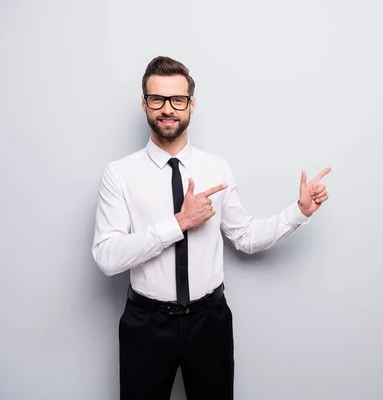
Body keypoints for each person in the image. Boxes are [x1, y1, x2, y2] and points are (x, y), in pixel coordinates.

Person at [91, 56, 331, 400]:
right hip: (146, 325)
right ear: (144, 103)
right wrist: (179, 223)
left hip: (210, 322)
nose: (168, 109)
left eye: (178, 99)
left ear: (191, 103)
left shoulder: (216, 169)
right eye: (157, 99)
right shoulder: (119, 174)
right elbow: (107, 257)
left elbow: (245, 237)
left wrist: (299, 212)